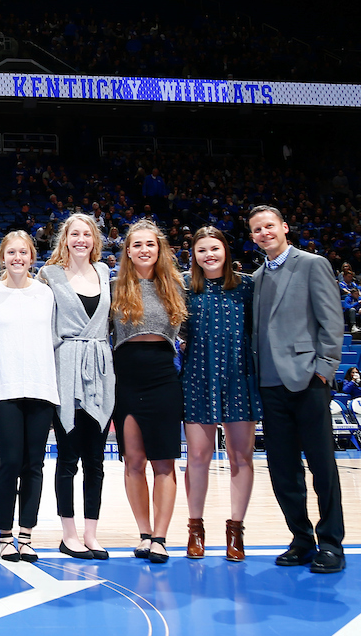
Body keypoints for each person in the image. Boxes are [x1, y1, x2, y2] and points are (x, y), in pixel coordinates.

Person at [249, 205, 345, 574]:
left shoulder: (312, 263)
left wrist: (323, 371)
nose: (264, 233)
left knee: (322, 467)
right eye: (257, 229)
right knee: (284, 470)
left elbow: (331, 321)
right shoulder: (255, 277)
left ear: (284, 227)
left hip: (307, 382)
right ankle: (302, 539)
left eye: (269, 226)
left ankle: (332, 542)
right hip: (270, 387)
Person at [38, 213, 115, 560]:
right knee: (68, 457)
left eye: (87, 234)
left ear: (94, 239)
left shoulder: (104, 273)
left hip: (100, 371)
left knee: (96, 461)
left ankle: (91, 533)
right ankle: (68, 533)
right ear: (64, 239)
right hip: (65, 369)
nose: (81, 239)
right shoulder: (49, 275)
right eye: (74, 234)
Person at [110, 220, 187, 565]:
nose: (144, 249)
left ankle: (160, 537)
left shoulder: (176, 286)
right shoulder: (114, 286)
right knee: (134, 461)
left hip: (162, 375)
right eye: (136, 244)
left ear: (159, 249)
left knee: (164, 462)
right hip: (125, 375)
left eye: (150, 244)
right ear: (128, 251)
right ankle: (143, 533)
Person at [181, 227, 259, 561]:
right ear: (194, 255)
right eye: (202, 250)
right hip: (198, 375)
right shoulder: (185, 287)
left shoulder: (247, 287)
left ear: (225, 250)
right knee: (198, 457)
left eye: (214, 248)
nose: (209, 255)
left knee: (240, 457)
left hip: (239, 374)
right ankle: (195, 530)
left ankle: (235, 532)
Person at [0, 231, 58, 563]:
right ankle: (4, 534)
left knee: (34, 464)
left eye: (23, 252)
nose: (17, 258)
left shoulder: (46, 294)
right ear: (2, 257)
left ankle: (26, 534)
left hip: (41, 387)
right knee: (10, 461)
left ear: (32, 257)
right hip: (3, 389)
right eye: (11, 252)